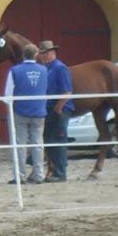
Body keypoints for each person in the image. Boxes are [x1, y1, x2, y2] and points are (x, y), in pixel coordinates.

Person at [4, 43, 47, 184]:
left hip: (20, 111)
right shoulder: (44, 70)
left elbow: (8, 94)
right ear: (36, 55)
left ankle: (20, 175)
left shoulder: (15, 70)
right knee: (38, 143)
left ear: (23, 55)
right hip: (39, 111)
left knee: (19, 144)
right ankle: (39, 174)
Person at [37, 40, 74, 182]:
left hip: (60, 108)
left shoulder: (60, 68)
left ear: (53, 52)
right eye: (42, 53)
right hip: (50, 107)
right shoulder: (47, 68)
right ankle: (55, 171)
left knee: (58, 139)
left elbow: (67, 91)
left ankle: (60, 172)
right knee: (50, 139)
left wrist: (59, 107)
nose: (44, 56)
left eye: (46, 53)